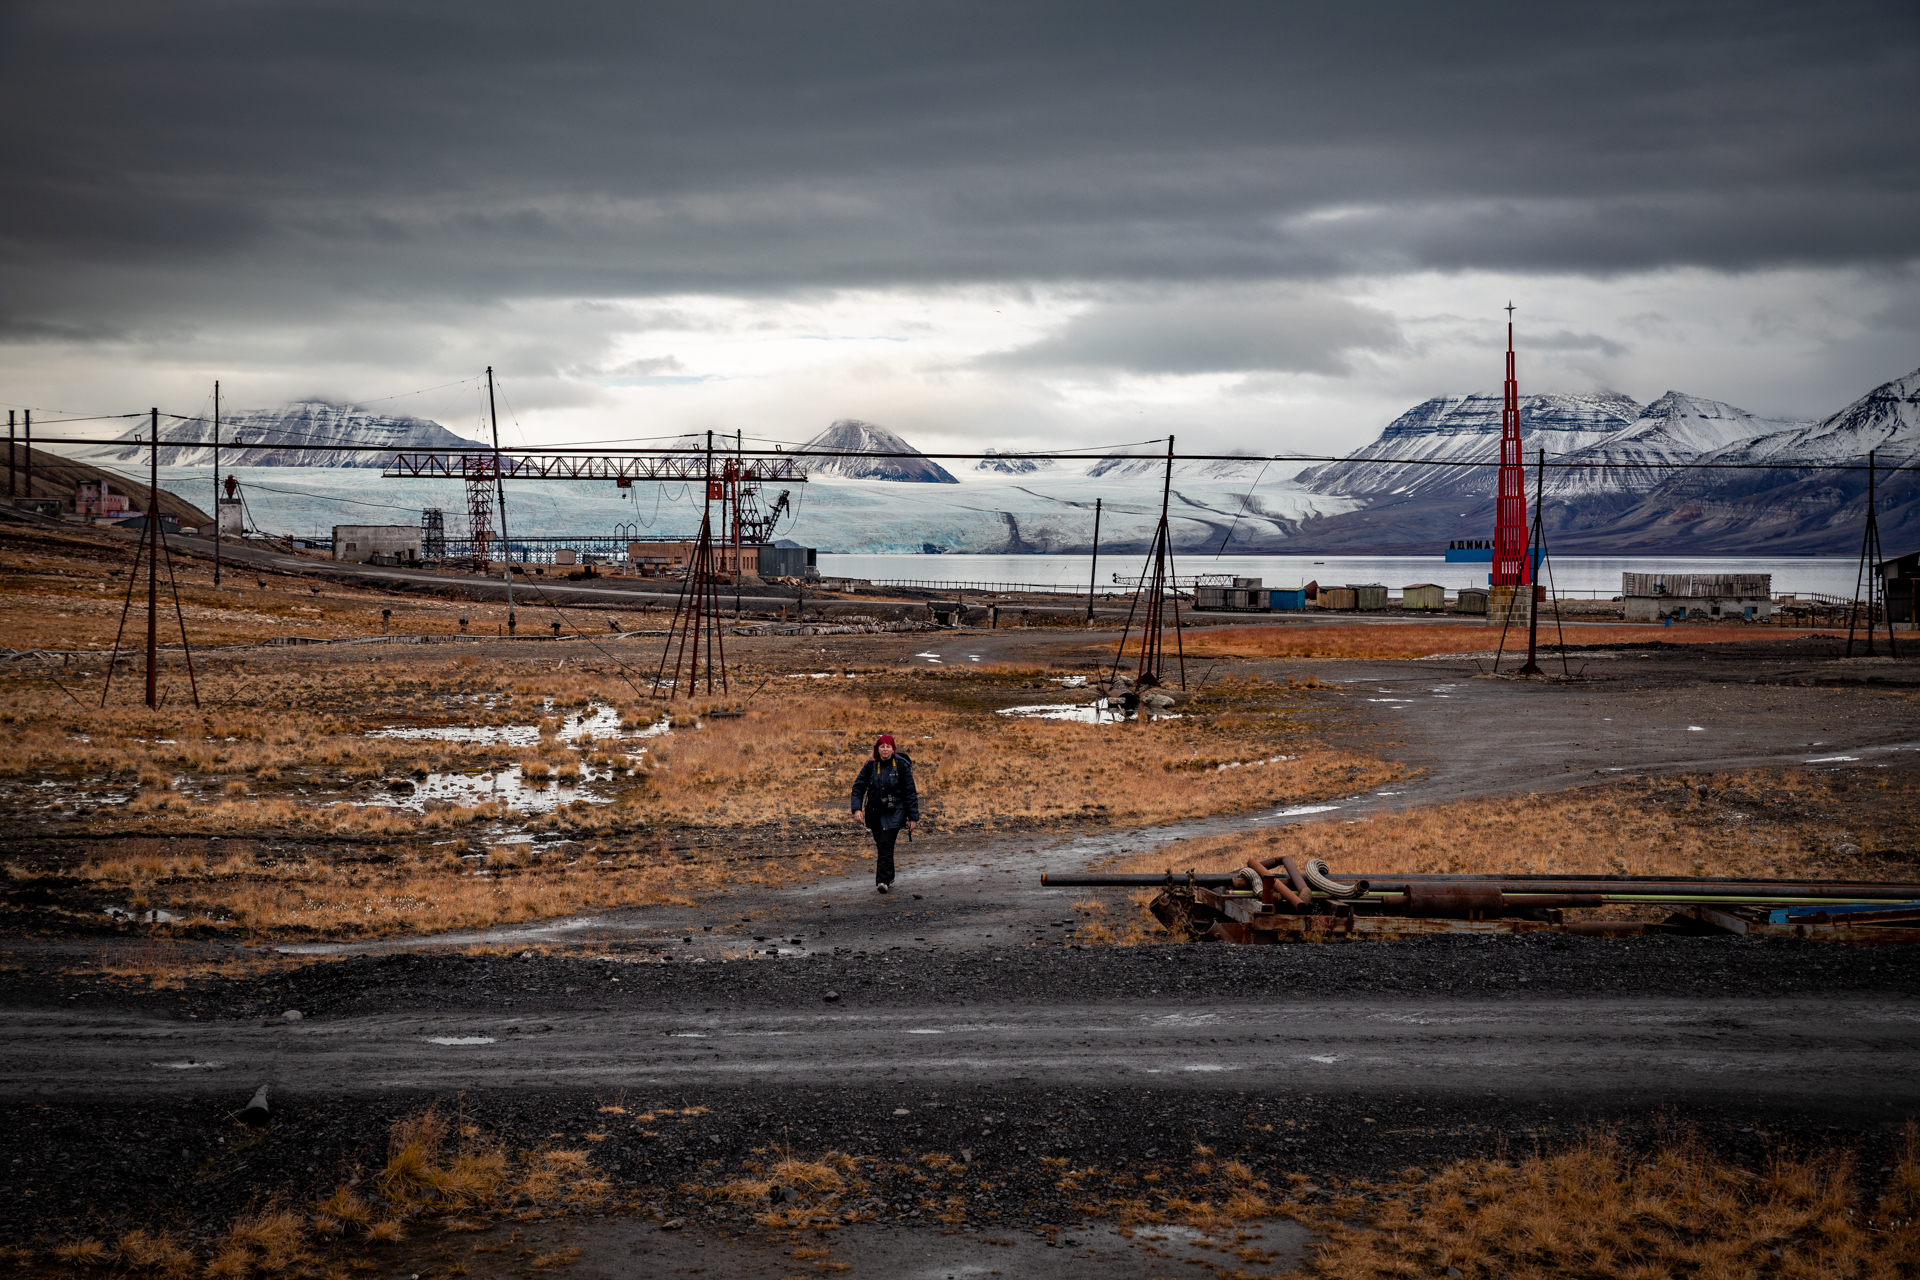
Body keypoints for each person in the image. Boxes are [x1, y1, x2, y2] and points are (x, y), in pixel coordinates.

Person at [850, 733, 919, 893]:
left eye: (888, 746)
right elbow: (858, 787)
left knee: (886, 844)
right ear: (877, 749)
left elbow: (910, 793)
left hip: (896, 812)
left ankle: (882, 881)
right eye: (882, 746)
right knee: (882, 846)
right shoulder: (870, 767)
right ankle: (890, 874)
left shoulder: (902, 767)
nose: (885, 749)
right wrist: (857, 809)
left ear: (893, 749)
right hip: (874, 813)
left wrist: (912, 817)